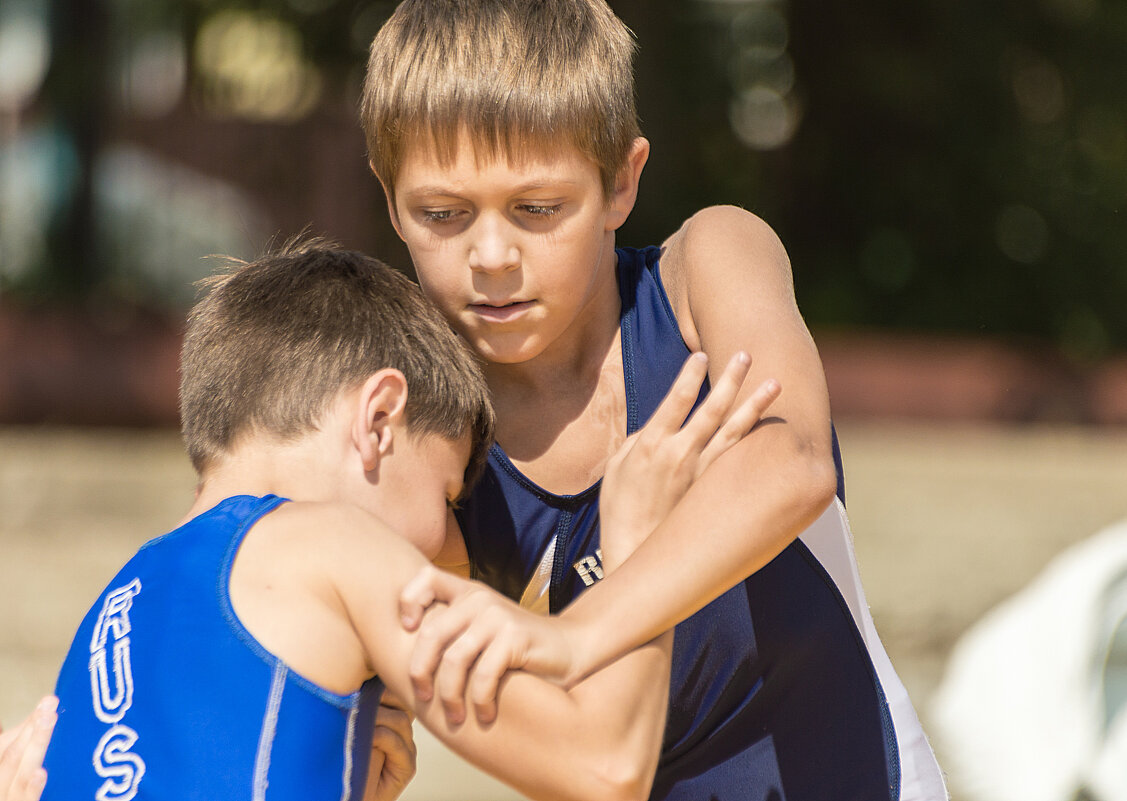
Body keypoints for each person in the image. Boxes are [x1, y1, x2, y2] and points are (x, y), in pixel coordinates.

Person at [358, 1, 948, 799]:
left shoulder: (705, 269)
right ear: (390, 200)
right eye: (442, 214)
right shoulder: (418, 431)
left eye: (537, 209)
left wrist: (574, 636)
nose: (490, 256)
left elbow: (793, 463)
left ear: (621, 182)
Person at [35, 241, 776, 801]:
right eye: (449, 493)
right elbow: (603, 766)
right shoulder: (323, 540)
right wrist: (640, 545)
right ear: (380, 419)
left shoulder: (116, 608)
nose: (456, 546)